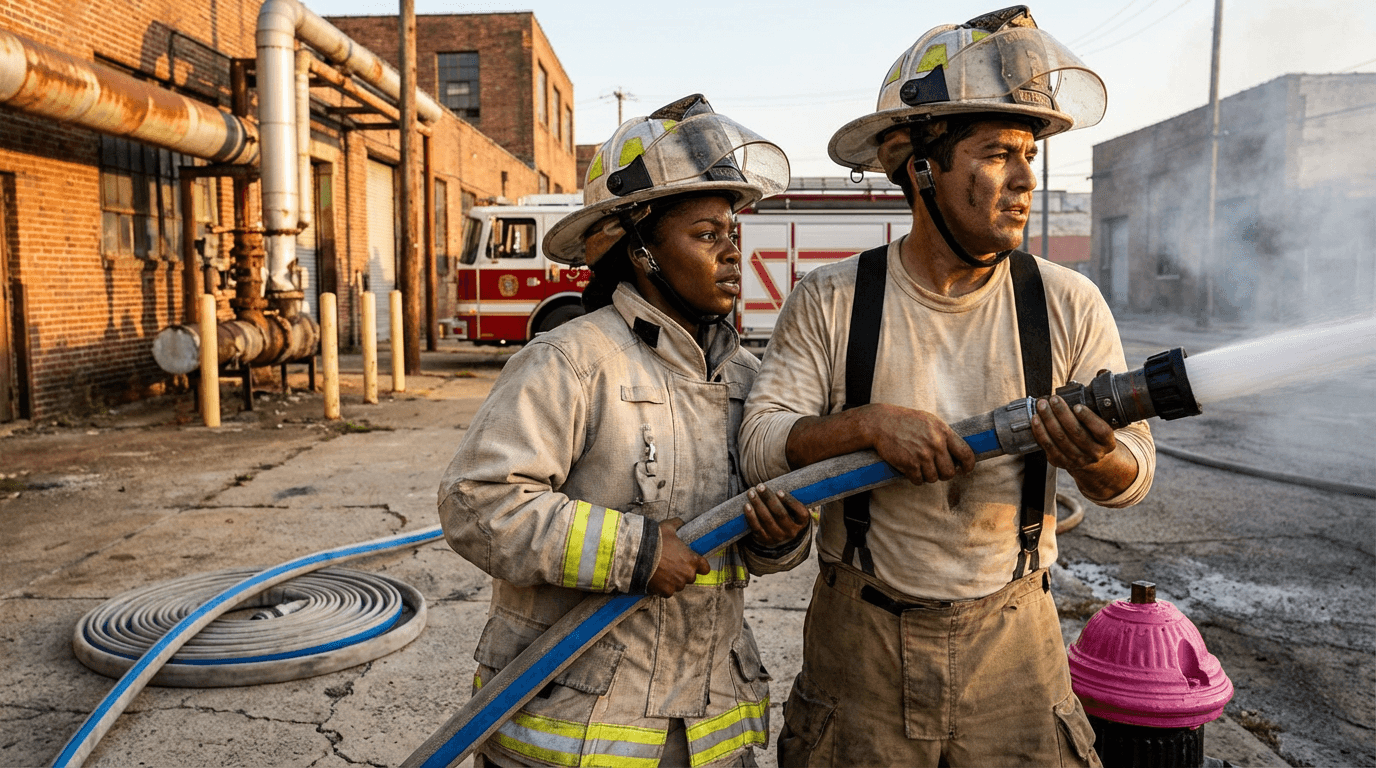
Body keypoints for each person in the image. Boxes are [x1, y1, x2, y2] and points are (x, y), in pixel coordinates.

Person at [739, 7, 1156, 767]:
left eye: (1030, 154)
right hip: (860, 644)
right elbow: (763, 445)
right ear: (915, 162)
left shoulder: (1067, 302)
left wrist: (1095, 458)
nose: (1026, 179)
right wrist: (866, 425)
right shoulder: (832, 300)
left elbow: (1133, 475)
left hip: (1015, 647)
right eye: (998, 153)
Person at [438, 94, 812, 768]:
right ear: (641, 251)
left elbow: (749, 550)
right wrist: (633, 552)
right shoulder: (572, 362)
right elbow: (479, 503)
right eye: (706, 234)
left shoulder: (748, 380)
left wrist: (779, 540)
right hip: (573, 734)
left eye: (734, 231)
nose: (733, 252)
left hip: (708, 733)